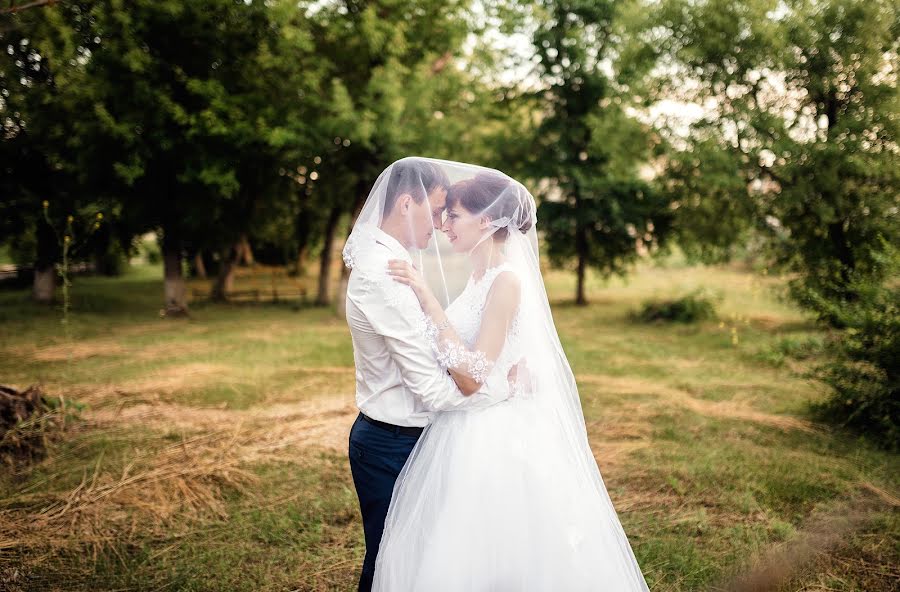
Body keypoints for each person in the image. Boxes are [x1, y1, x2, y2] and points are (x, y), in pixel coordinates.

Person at [371, 159, 651, 591]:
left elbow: (473, 374)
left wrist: (426, 298)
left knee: (490, 548)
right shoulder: (479, 276)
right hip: (464, 424)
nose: (445, 224)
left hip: (489, 434)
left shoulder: (506, 280)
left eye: (455, 215)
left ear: (486, 221)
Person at [342, 157, 513, 592]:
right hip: (391, 443)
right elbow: (434, 389)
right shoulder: (383, 274)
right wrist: (500, 390)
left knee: (417, 565)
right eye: (438, 210)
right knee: (390, 569)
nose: (441, 224)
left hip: (413, 438)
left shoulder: (396, 264)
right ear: (405, 203)